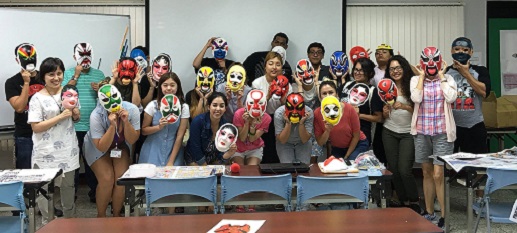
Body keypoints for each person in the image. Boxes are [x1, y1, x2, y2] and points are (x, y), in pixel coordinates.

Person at [28, 57, 80, 224]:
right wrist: (61, 116)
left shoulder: (69, 92)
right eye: (51, 74)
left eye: (59, 73)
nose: (56, 78)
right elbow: (36, 127)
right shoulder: (37, 98)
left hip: (67, 151)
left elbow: (75, 118)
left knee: (68, 189)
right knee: (44, 192)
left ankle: (69, 223)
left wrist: (76, 114)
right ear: (43, 76)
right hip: (45, 153)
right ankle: (48, 223)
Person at [411, 47, 457, 229]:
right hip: (422, 131)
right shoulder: (415, 80)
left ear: (440, 61)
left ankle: (444, 215)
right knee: (426, 173)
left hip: (442, 132)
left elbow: (451, 97)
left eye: (434, 59)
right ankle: (429, 212)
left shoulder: (448, 79)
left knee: (439, 174)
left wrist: (442, 76)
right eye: (427, 60)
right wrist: (421, 77)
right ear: (422, 62)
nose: (431, 63)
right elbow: (416, 97)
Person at [84, 84, 141, 217]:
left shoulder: (132, 110)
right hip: (97, 146)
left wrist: (126, 122)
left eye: (115, 97)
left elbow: (132, 140)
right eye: (107, 100)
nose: (112, 102)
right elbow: (101, 146)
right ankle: (101, 216)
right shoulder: (96, 115)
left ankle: (116, 216)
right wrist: (112, 126)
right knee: (107, 179)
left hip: (119, 145)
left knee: (120, 180)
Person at [63, 42, 106, 203]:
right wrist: (76, 76)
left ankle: (96, 192)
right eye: (82, 55)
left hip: (94, 127)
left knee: (93, 161)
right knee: (73, 163)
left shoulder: (100, 74)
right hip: (72, 126)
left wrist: (100, 89)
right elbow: (64, 93)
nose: (86, 59)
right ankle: (70, 194)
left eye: (89, 55)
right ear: (75, 57)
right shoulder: (67, 73)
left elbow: (106, 98)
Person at [382, 55, 421, 213]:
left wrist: (404, 106)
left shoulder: (412, 86)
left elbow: (419, 110)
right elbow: (382, 115)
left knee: (405, 169)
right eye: (392, 69)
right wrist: (385, 112)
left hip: (408, 132)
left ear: (404, 68)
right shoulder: (385, 86)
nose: (395, 71)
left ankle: (414, 200)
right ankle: (403, 200)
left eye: (398, 68)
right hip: (389, 131)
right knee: (394, 169)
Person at [5, 43, 43, 170]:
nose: (29, 60)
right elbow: (19, 108)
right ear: (18, 60)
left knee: (47, 172)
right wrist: (26, 83)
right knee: (26, 173)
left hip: (47, 133)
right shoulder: (12, 82)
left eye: (32, 57)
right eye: (25, 58)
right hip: (25, 135)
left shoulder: (46, 77)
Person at [138, 72, 189, 166]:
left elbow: (180, 136)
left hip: (174, 152)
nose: (169, 88)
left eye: (172, 85)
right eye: (165, 85)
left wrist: (171, 161)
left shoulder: (184, 107)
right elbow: (144, 130)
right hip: (152, 151)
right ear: (160, 87)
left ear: (178, 87)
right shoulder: (152, 106)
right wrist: (158, 127)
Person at [252, 52, 293, 163]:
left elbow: (290, 108)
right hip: (263, 120)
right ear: (265, 66)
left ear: (281, 67)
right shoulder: (257, 83)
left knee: (279, 152)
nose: (274, 67)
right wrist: (269, 95)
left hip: (281, 120)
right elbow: (255, 107)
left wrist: (283, 98)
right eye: (271, 64)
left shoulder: (287, 84)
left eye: (278, 64)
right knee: (265, 152)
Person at [314, 81, 369, 160]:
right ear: (320, 97)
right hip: (338, 148)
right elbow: (320, 142)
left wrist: (346, 157)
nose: (328, 96)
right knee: (335, 168)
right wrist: (327, 131)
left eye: (331, 92)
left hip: (358, 143)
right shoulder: (317, 113)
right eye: (324, 93)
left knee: (350, 164)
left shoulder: (349, 109)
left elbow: (356, 136)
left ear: (337, 95)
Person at [338, 58, 383, 147]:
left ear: (370, 73)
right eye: (356, 69)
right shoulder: (346, 85)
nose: (357, 72)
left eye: (362, 70)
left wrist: (359, 115)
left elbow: (379, 118)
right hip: (341, 134)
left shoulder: (373, 91)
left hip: (362, 136)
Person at [185, 92, 236, 165]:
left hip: (213, 159)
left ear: (225, 109)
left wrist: (229, 153)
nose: (218, 109)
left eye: (221, 106)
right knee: (202, 174)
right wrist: (204, 165)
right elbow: (195, 146)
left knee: (223, 171)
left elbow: (222, 155)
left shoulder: (226, 126)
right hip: (195, 158)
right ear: (209, 107)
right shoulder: (198, 121)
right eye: (214, 105)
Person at [275, 93, 313, 164]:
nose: (294, 112)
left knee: (303, 168)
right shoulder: (279, 114)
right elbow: (282, 140)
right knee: (287, 168)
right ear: (286, 107)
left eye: (298, 108)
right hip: (285, 143)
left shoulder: (309, 113)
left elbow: (305, 139)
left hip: (302, 143)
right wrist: (288, 123)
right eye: (291, 108)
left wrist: (301, 123)